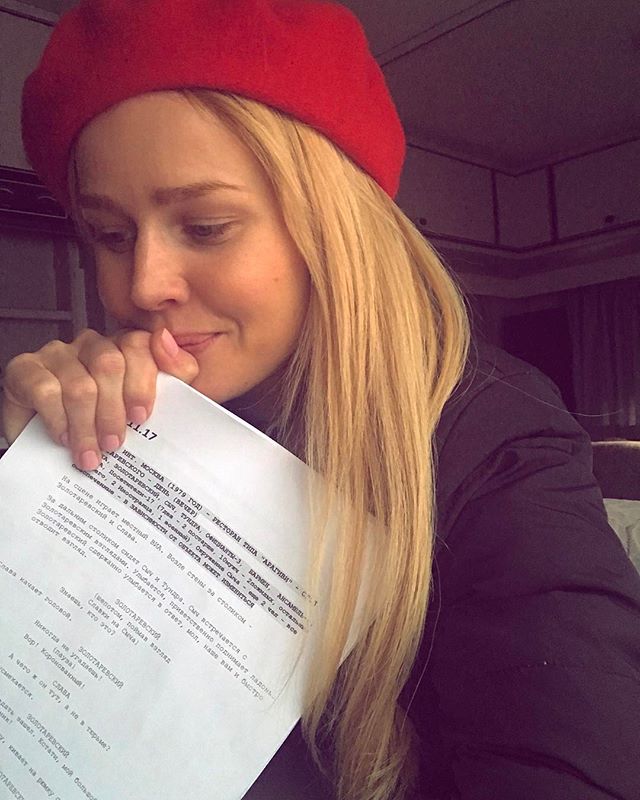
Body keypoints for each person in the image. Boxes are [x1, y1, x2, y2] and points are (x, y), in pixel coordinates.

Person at [3, 1, 639, 798]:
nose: (142, 285)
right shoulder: (130, 414)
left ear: (332, 229)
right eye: (110, 234)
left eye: (206, 226)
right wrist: (33, 477)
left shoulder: (493, 442)